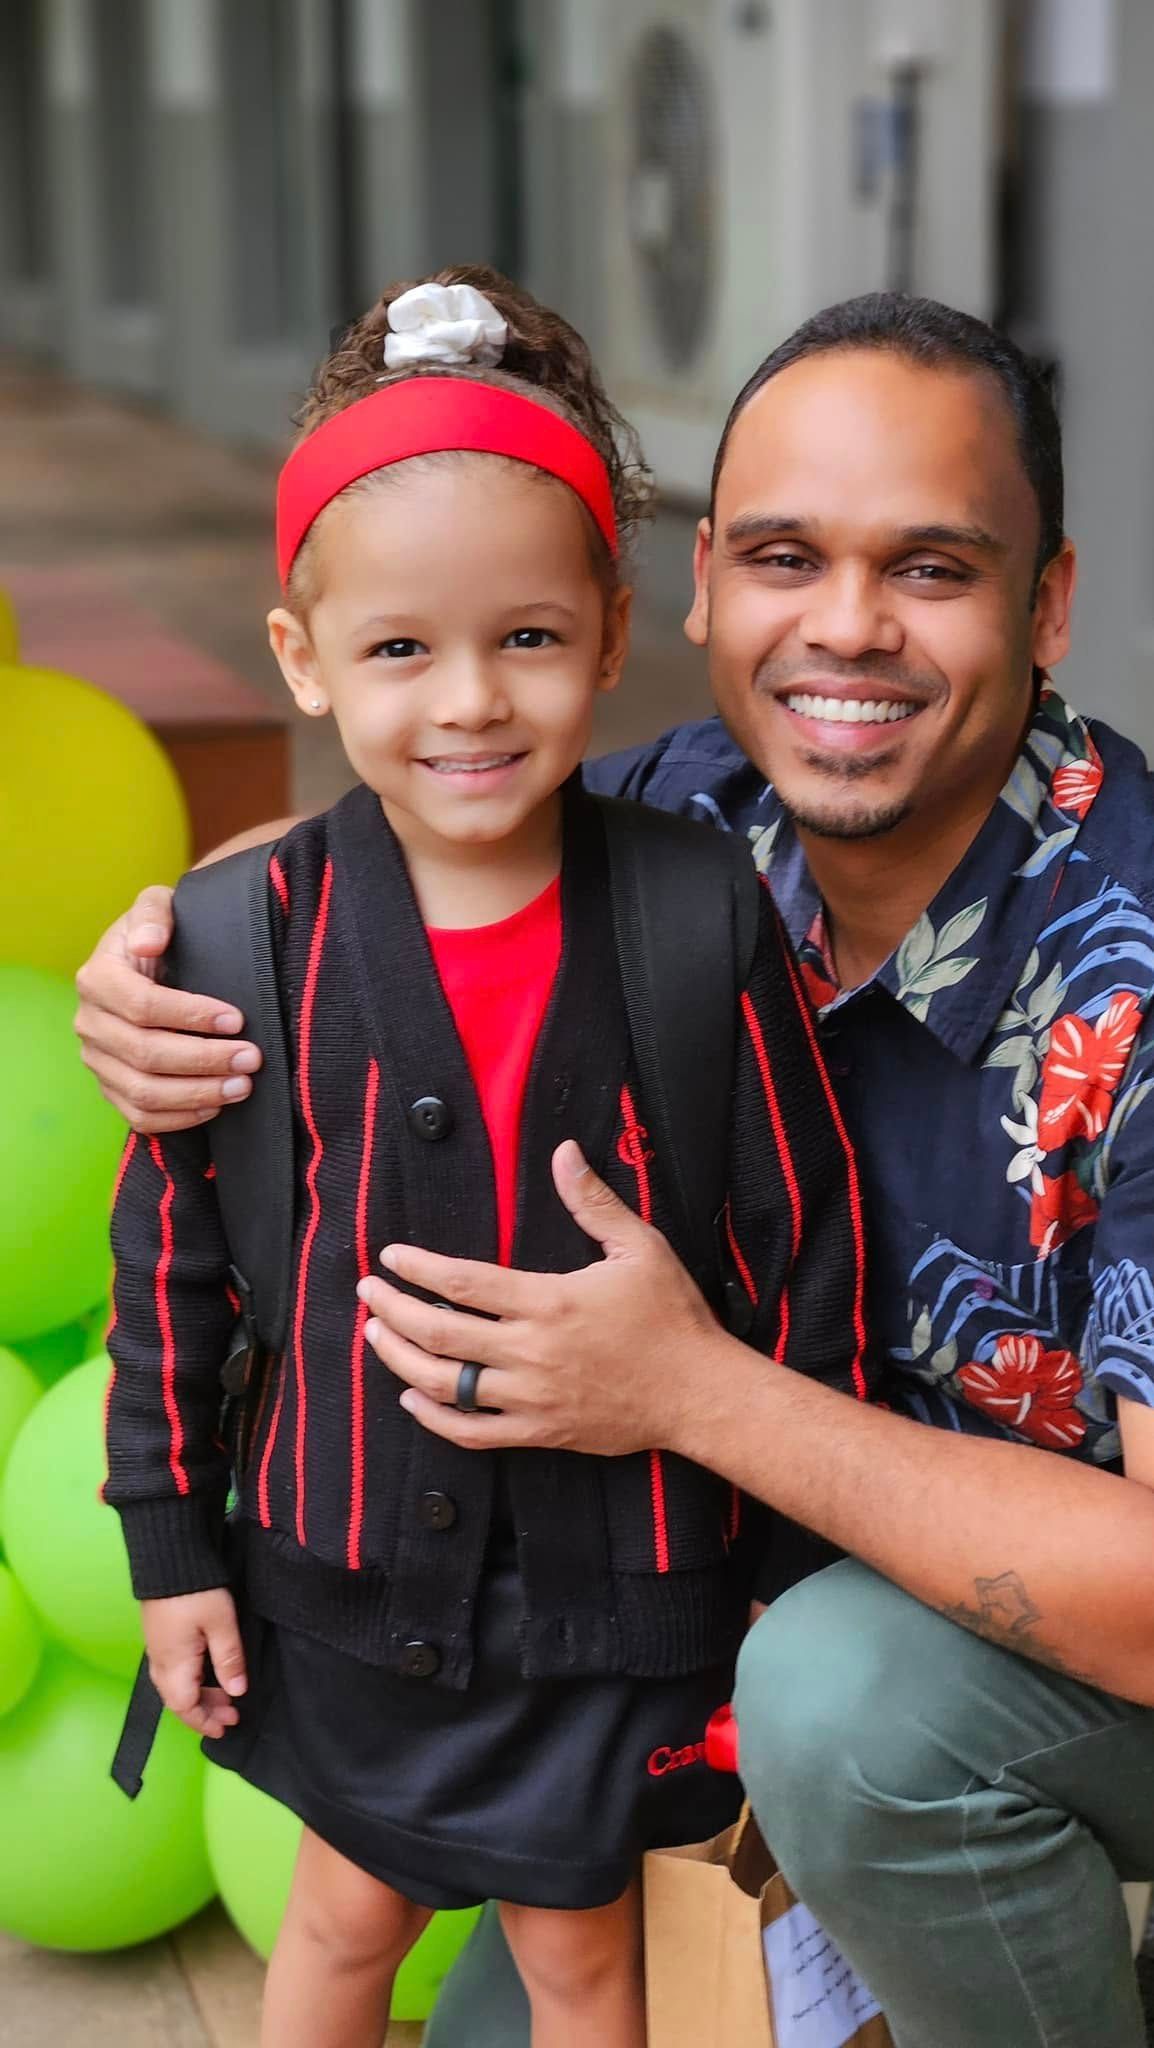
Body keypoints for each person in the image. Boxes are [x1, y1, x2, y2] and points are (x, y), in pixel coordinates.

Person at [76, 293, 1154, 2047]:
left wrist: (692, 1392)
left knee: (843, 1714)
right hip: (648, 1613)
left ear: (1046, 604)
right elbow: (415, 808)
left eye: (935, 570)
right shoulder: (696, 814)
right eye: (790, 556)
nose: (848, 632)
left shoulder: (1133, 970)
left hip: (962, 1658)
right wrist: (181, 943)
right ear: (706, 579)